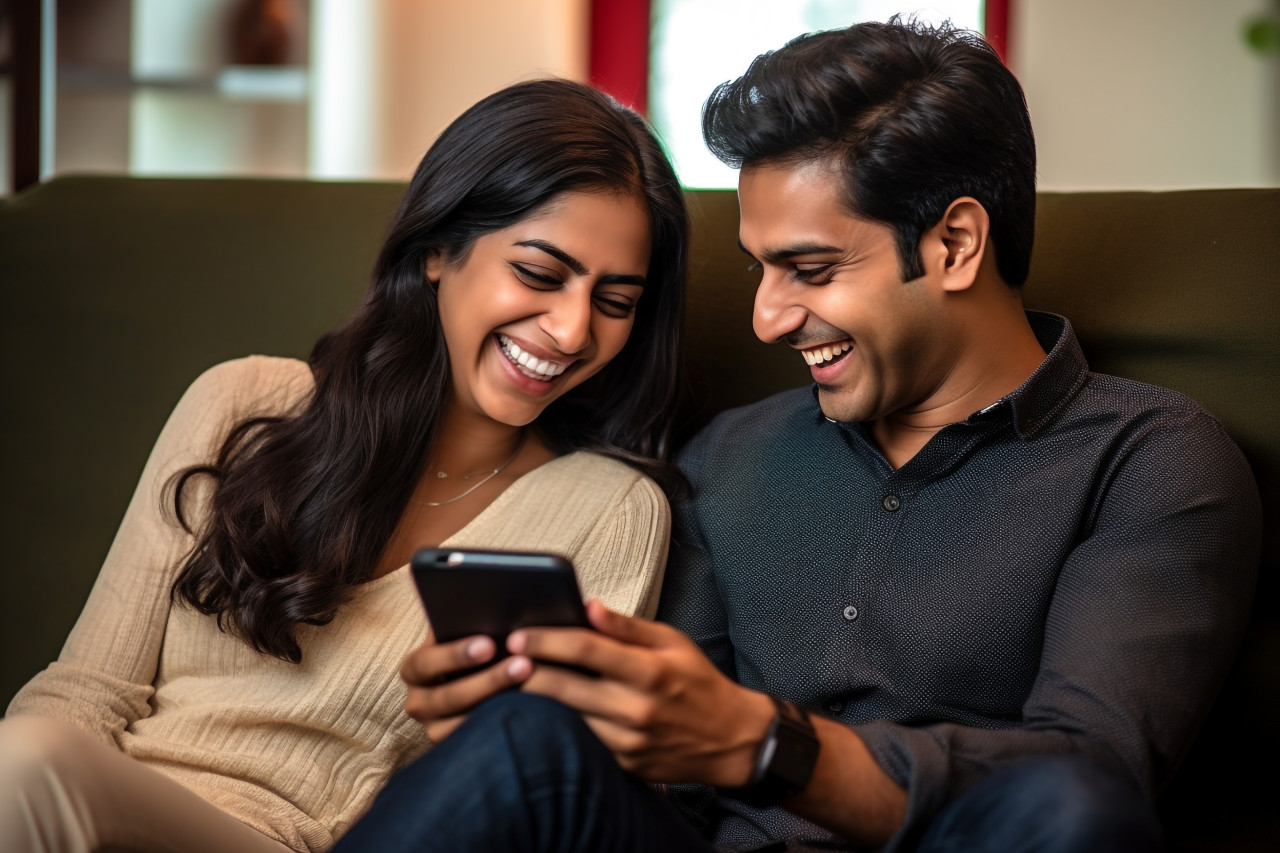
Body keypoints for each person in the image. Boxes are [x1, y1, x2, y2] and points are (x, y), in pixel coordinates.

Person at [329, 18, 1263, 853]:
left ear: (955, 245)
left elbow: (1091, 782)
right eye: (759, 269)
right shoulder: (724, 458)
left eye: (808, 269)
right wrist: (535, 705)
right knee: (524, 743)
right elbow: (662, 779)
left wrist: (766, 743)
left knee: (1069, 801)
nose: (769, 317)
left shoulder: (1148, 458)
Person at [0, 78, 689, 853]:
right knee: (34, 756)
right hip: (81, 810)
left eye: (615, 300)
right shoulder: (243, 401)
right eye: (538, 273)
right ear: (437, 250)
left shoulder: (611, 507)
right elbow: (86, 690)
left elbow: (524, 793)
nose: (569, 329)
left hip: (311, 839)